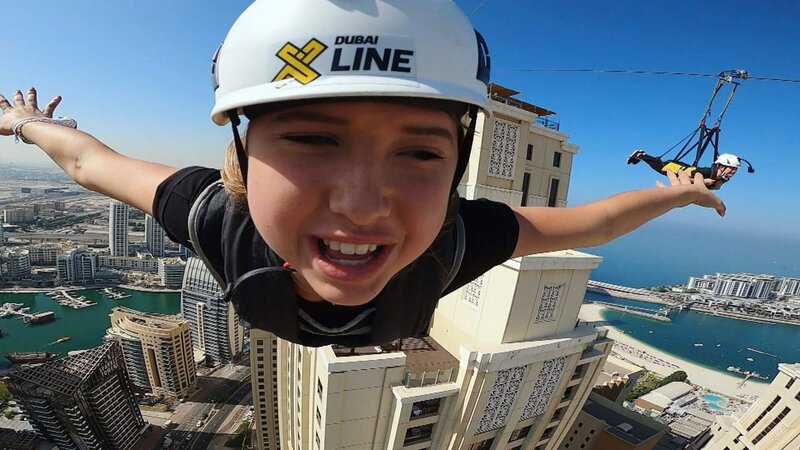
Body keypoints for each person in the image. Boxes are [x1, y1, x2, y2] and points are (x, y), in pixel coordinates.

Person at [0, 0, 724, 347]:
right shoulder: (216, 212)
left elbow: (592, 222)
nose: (362, 202)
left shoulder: (453, 237)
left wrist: (673, 196)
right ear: (245, 158)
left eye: (419, 153)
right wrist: (26, 124)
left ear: (456, 169)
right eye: (313, 139)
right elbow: (89, 162)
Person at [627, 149, 741, 190]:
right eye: (732, 169)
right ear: (721, 166)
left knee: (660, 166)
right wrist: (702, 181)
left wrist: (718, 183)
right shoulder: (707, 173)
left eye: (735, 170)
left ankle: (642, 156)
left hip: (687, 168)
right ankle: (641, 155)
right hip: (679, 169)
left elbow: (716, 186)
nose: (733, 172)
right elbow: (684, 175)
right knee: (660, 167)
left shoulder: (723, 177)